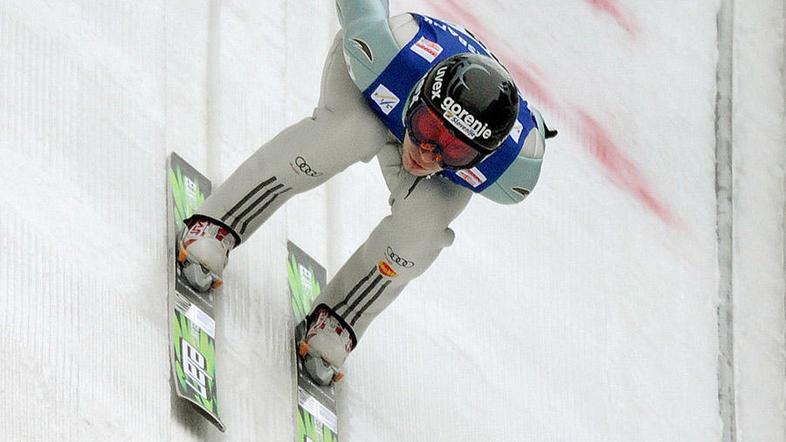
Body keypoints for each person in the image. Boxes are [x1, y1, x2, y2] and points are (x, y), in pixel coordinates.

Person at [177, 0, 556, 385]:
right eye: (428, 128)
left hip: (399, 97)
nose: (426, 154)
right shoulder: (386, 50)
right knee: (345, 135)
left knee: (421, 231)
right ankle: (219, 222)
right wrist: (447, 152)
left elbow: (531, 133)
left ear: (482, 158)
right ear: (420, 94)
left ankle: (340, 318)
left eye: (454, 150)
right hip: (374, 92)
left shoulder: (513, 169)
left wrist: (429, 134)